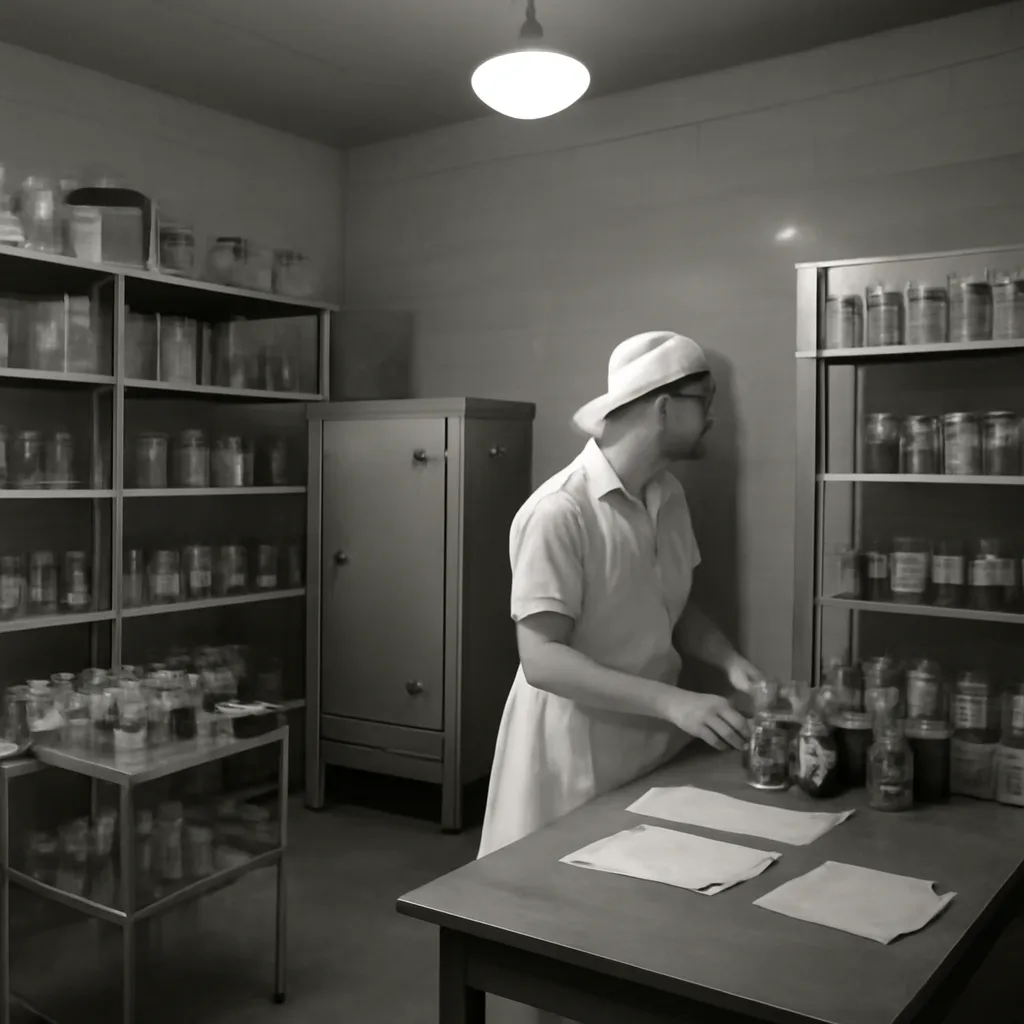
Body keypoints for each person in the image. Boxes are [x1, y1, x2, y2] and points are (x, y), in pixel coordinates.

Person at [479, 330, 766, 860]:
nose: (713, 418)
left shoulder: (668, 496)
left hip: (649, 747)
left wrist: (731, 663)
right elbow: (541, 659)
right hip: (571, 758)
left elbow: (668, 605)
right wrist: (674, 702)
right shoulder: (560, 511)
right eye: (704, 402)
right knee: (549, 895)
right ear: (663, 409)